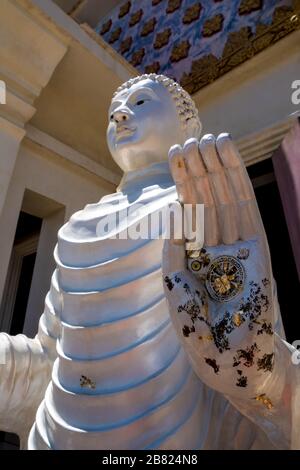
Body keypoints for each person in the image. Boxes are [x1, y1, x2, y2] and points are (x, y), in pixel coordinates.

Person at [0, 74, 298, 449]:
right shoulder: (78, 227)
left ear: (187, 122)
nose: (121, 116)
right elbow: (49, 356)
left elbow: (252, 340)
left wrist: (262, 373)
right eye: (114, 112)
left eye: (140, 102)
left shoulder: (202, 206)